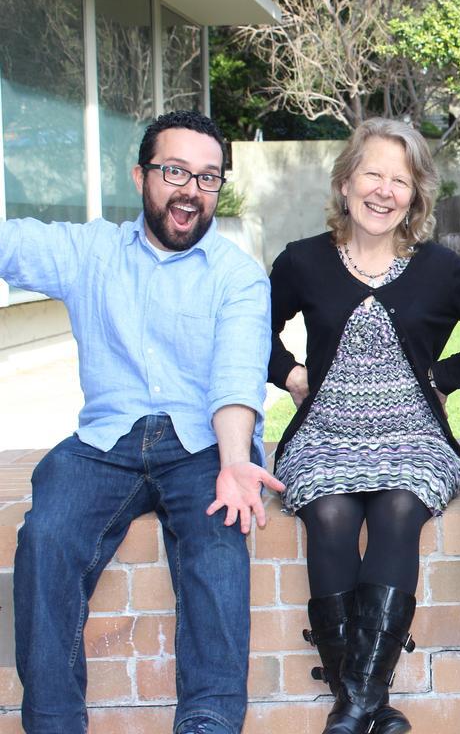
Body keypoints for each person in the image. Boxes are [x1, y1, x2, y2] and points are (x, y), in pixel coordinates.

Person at [3, 110, 279, 734]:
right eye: (175, 171)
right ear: (141, 176)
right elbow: (11, 243)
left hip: (201, 441)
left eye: (207, 177)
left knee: (217, 546)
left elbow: (236, 378)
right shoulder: (89, 252)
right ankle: (52, 723)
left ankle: (208, 723)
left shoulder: (237, 275)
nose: (191, 191)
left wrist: (236, 462)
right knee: (46, 538)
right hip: (105, 440)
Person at [268, 118, 460, 734]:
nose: (384, 191)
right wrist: (290, 373)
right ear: (345, 182)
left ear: (415, 196)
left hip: (414, 437)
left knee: (397, 508)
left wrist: (445, 377)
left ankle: (351, 708)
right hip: (324, 435)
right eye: (373, 175)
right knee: (329, 514)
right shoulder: (302, 260)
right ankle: (366, 704)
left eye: (401, 181)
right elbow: (248, 330)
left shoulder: (440, 267)